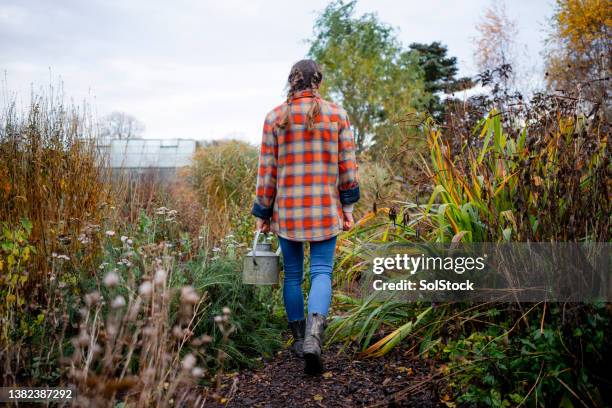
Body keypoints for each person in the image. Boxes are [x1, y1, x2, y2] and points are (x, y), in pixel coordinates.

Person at [251, 59, 360, 375]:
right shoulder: (337, 115)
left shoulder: (275, 118)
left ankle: (299, 341)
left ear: (291, 82)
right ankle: (315, 337)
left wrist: (263, 211)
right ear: (318, 82)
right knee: (322, 270)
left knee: (294, 273)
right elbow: (348, 168)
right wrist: (348, 208)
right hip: (325, 208)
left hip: (288, 211)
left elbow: (266, 172)